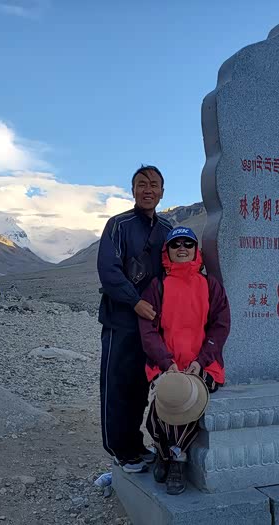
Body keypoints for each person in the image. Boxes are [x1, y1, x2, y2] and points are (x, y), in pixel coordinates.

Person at [138, 226, 231, 495]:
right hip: (166, 362)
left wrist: (201, 361)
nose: (182, 248)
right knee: (167, 396)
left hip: (202, 363)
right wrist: (166, 362)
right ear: (166, 251)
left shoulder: (210, 286)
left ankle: (175, 460)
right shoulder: (157, 287)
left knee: (186, 397)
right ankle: (163, 451)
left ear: (195, 250)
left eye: (188, 243)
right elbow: (148, 331)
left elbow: (220, 326)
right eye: (175, 244)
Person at [97, 165, 172, 473]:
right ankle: (120, 449)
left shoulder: (167, 229)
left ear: (162, 192)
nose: (147, 189)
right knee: (118, 384)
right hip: (122, 320)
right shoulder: (118, 225)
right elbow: (109, 270)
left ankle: (135, 443)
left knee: (141, 385)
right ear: (133, 191)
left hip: (152, 323)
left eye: (154, 184)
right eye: (142, 184)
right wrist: (135, 301)